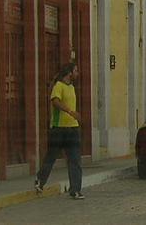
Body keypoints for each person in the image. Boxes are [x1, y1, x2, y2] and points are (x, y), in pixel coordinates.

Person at [35, 63, 84, 199]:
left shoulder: (72, 87)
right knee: (51, 157)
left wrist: (75, 118)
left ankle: (75, 190)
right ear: (69, 73)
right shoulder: (58, 86)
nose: (77, 73)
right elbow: (55, 102)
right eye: (75, 70)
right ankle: (40, 180)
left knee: (75, 160)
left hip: (72, 129)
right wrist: (70, 111)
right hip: (59, 128)